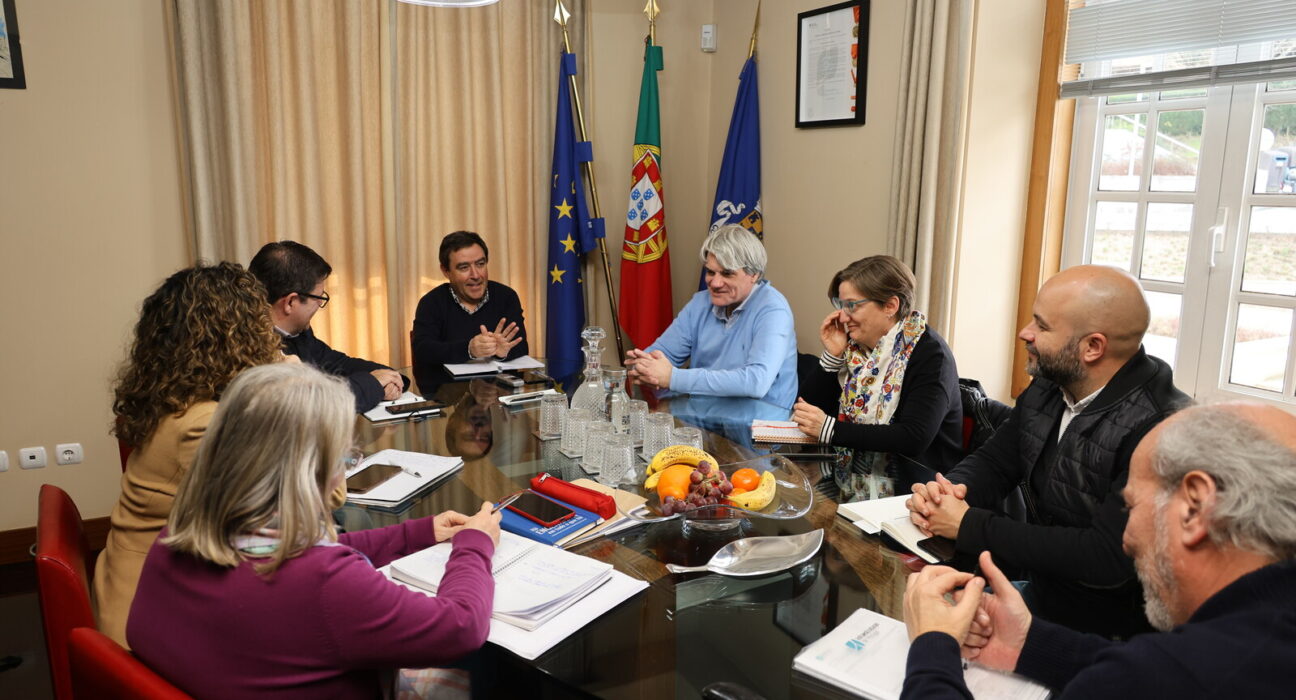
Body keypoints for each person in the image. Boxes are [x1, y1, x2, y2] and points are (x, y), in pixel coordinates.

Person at [128, 363, 501, 699]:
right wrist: (475, 545)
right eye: (345, 457)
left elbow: (306, 550)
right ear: (308, 470)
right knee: (489, 673)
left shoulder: (176, 534)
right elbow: (462, 627)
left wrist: (414, 535)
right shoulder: (322, 582)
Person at [901, 402, 1296, 698]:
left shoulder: (1193, 672)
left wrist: (933, 646)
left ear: (1194, 507)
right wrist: (1029, 643)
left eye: (1132, 506)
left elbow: (1148, 678)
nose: (1126, 538)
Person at [907, 265, 1189, 638]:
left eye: (1042, 326)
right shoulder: (1050, 385)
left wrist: (967, 524)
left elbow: (1105, 555)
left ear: (1093, 347)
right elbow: (996, 461)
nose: (1025, 333)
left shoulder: (1160, 427)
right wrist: (950, 492)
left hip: (1109, 632)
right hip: (1042, 594)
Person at [95, 263, 285, 647]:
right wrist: (291, 387)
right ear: (238, 337)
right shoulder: (203, 422)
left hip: (137, 580)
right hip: (150, 621)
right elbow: (297, 507)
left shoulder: (171, 400)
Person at [792, 255, 963, 501]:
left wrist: (831, 430)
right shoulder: (856, 349)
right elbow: (805, 409)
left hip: (914, 492)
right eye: (840, 305)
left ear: (890, 306)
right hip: (851, 479)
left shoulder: (931, 355)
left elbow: (913, 437)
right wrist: (833, 356)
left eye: (852, 305)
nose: (842, 316)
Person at [626, 224, 797, 410]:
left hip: (760, 428)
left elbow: (756, 382)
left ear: (754, 274)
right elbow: (657, 356)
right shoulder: (700, 303)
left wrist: (673, 378)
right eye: (710, 272)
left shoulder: (773, 310)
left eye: (727, 273)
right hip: (705, 417)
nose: (715, 283)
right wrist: (644, 366)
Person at [249, 240, 408, 412]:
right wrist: (375, 383)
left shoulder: (299, 332)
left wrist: (390, 376)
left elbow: (334, 363)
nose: (319, 304)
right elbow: (312, 403)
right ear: (291, 302)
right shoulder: (252, 346)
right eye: (318, 297)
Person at [412, 231, 528, 390]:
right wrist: (469, 349)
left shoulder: (506, 297)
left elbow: (521, 346)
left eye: (480, 264)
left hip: (499, 395)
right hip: (448, 396)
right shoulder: (431, 303)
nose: (476, 275)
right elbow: (423, 350)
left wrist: (501, 352)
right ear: (446, 271)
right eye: (464, 267)